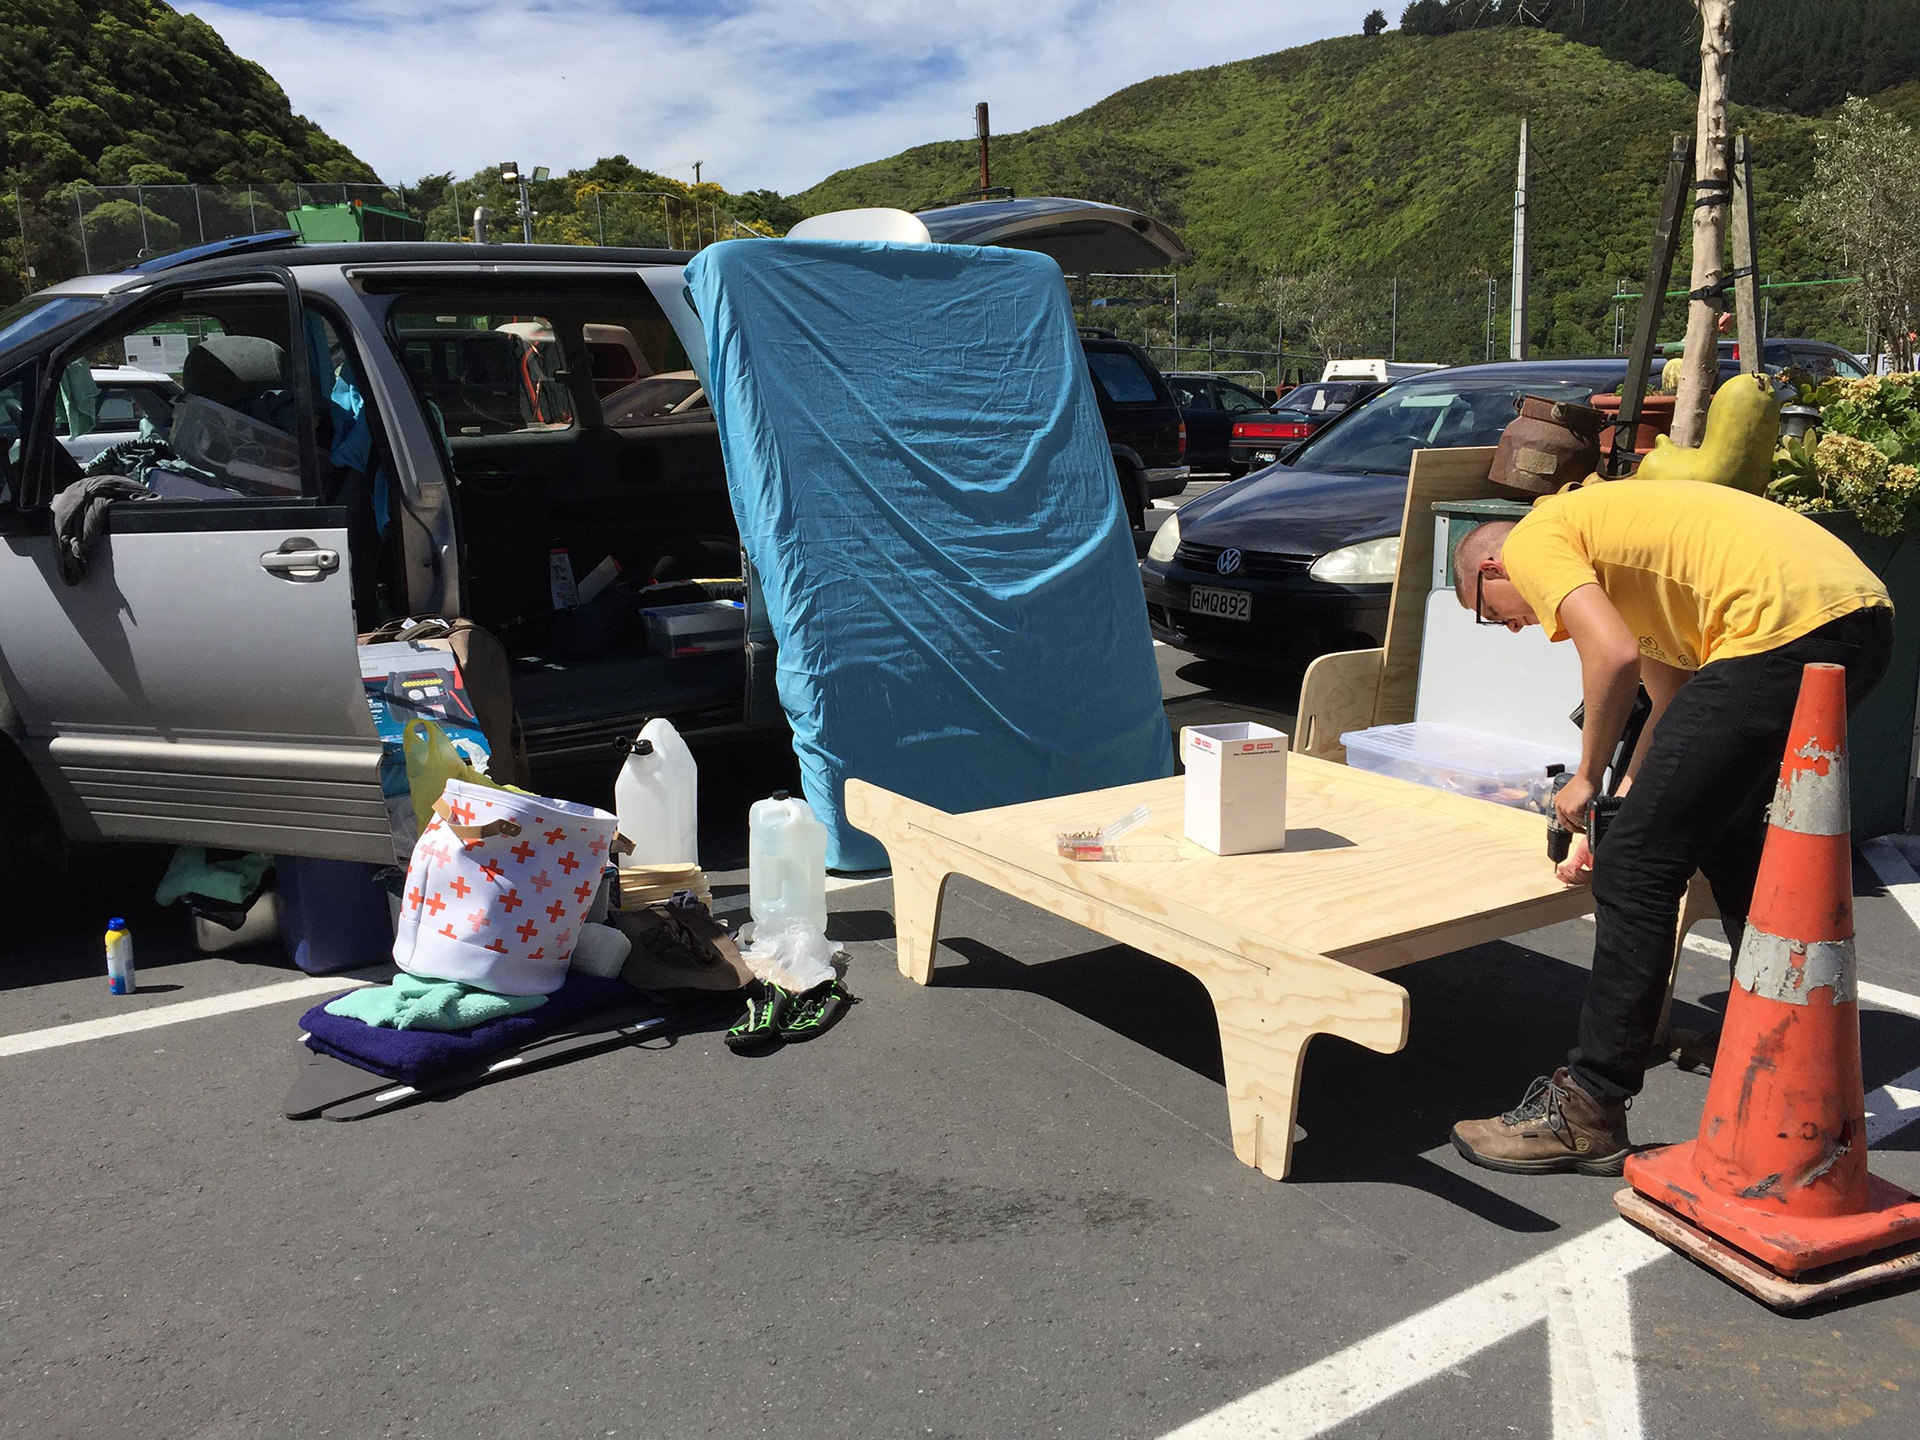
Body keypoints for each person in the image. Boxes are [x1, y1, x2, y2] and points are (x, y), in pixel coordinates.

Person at [1446, 479, 1894, 1176]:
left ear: (1491, 569)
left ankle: (1590, 1106)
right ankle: (1773, 1047)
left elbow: (1611, 657)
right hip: (1854, 622)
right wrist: (1617, 811)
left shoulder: (1534, 537)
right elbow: (1669, 707)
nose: (1511, 626)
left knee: (1636, 871)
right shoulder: (1634, 580)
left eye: (1489, 612)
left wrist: (1586, 776)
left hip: (1779, 629)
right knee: (1732, 845)